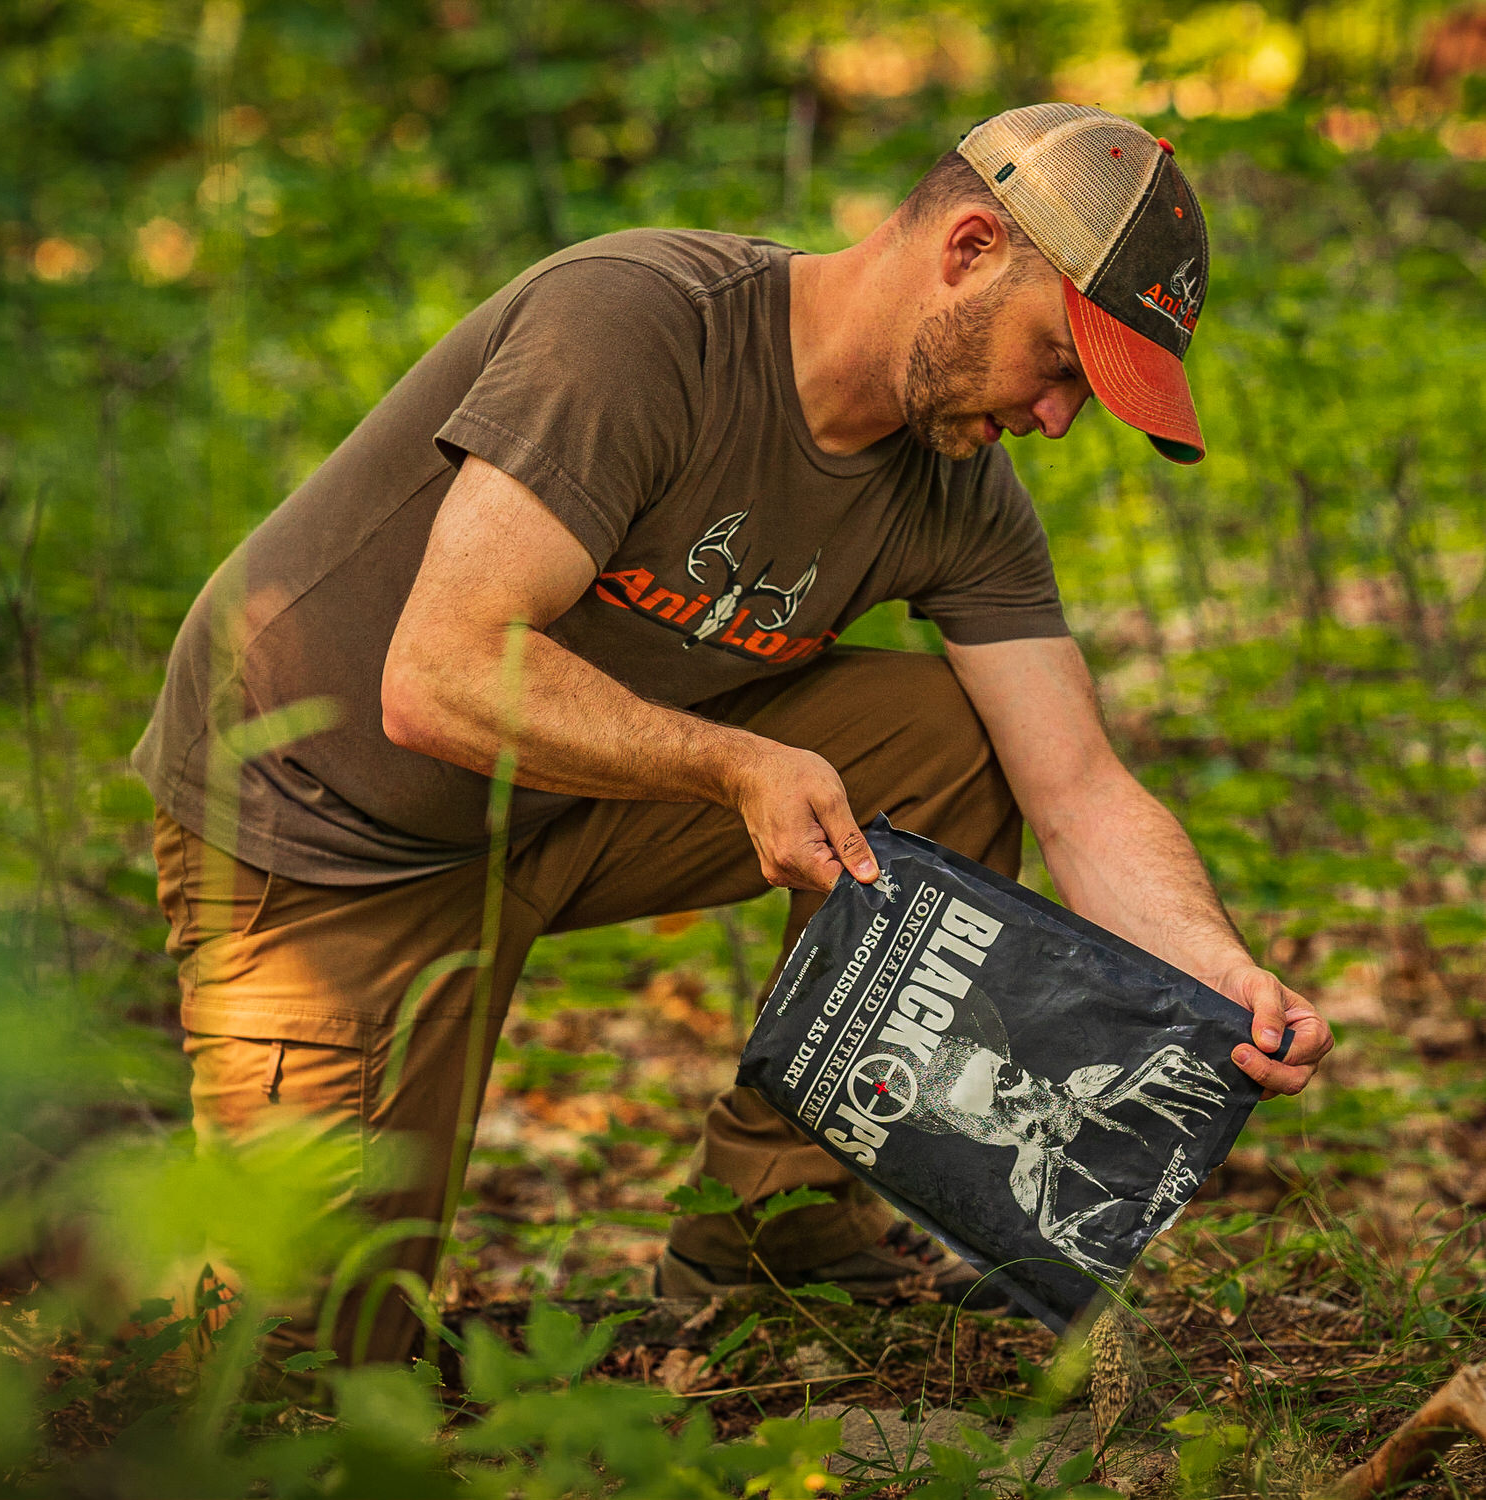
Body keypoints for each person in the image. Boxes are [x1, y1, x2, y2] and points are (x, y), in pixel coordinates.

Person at [134, 103, 1333, 1367]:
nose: (1055, 419)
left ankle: (780, 1231)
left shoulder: (959, 492)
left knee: (949, 732)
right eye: (1060, 363)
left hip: (573, 797)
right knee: (308, 1369)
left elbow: (1079, 789)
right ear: (971, 246)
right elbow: (435, 677)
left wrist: (1218, 972)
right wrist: (733, 761)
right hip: (332, 835)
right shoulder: (642, 326)